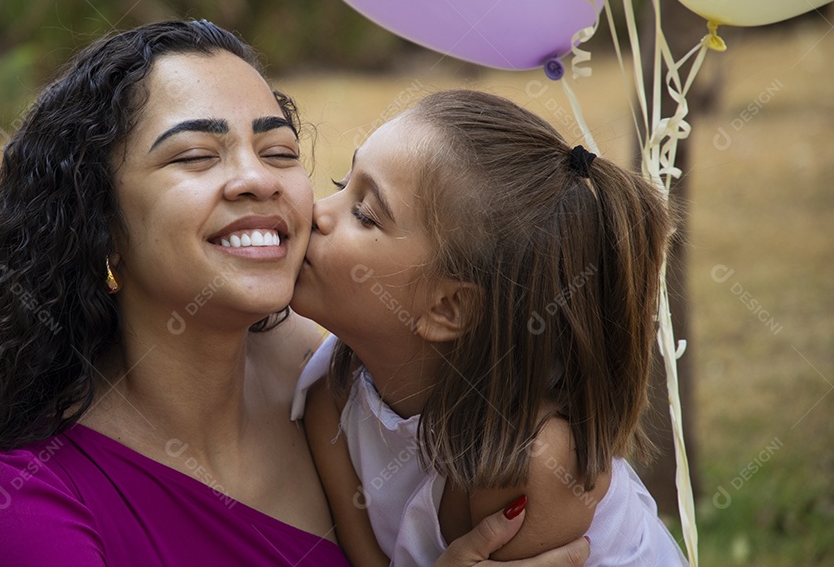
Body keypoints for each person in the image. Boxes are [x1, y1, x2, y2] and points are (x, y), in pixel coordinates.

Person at [0, 22, 589, 566]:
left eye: (280, 151)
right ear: (100, 224)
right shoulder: (21, 507)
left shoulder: (351, 374)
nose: (259, 177)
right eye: (197, 155)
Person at [290, 90, 689, 566]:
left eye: (364, 213)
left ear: (449, 308)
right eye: (341, 181)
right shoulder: (330, 395)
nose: (316, 210)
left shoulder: (534, 461)